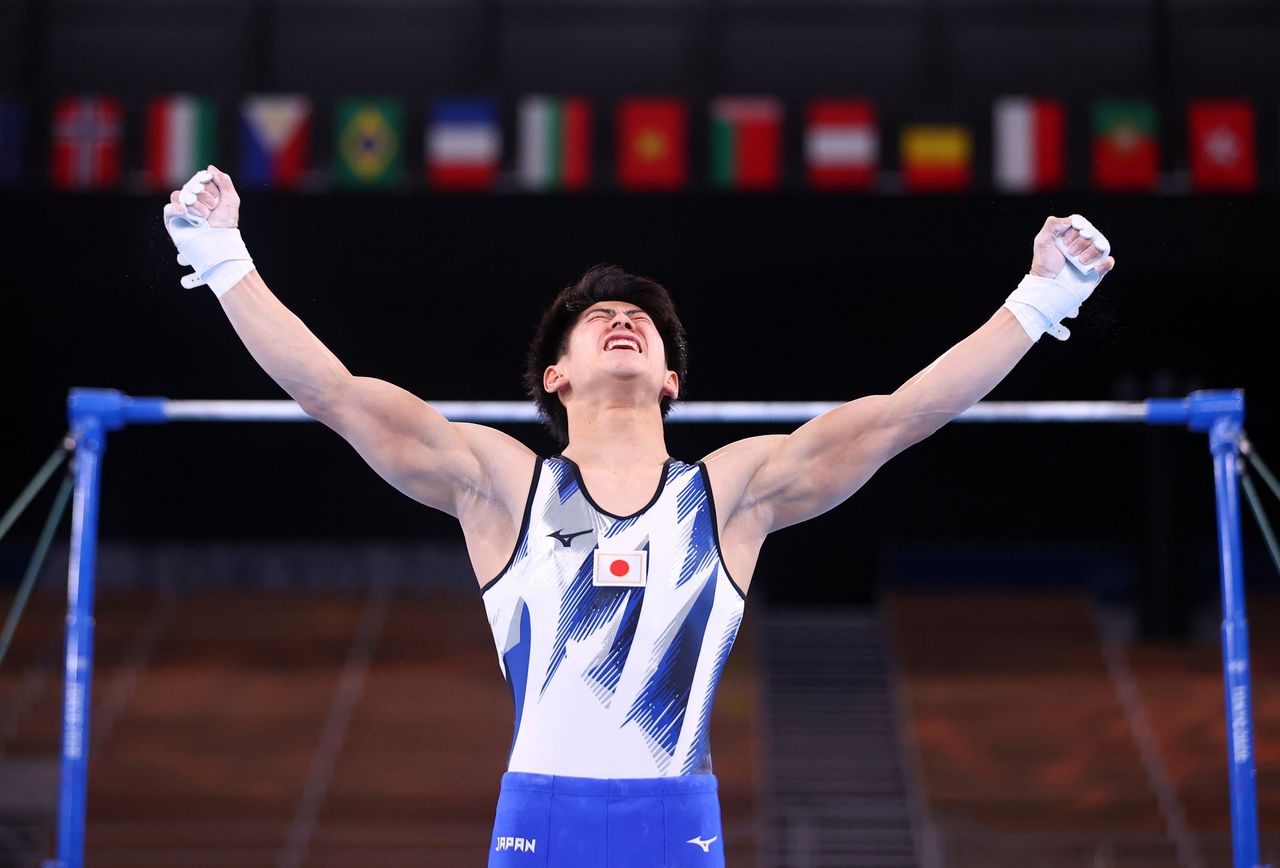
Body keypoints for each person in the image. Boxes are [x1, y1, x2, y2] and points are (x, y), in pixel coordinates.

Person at [162, 166, 1115, 867]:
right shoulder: (502, 484)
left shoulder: (732, 493)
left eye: (644, 321)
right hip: (541, 819)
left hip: (677, 825)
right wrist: (224, 258)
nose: (624, 319)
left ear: (670, 379)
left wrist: (1041, 297)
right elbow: (336, 394)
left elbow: (905, 415)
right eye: (597, 319)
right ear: (556, 375)